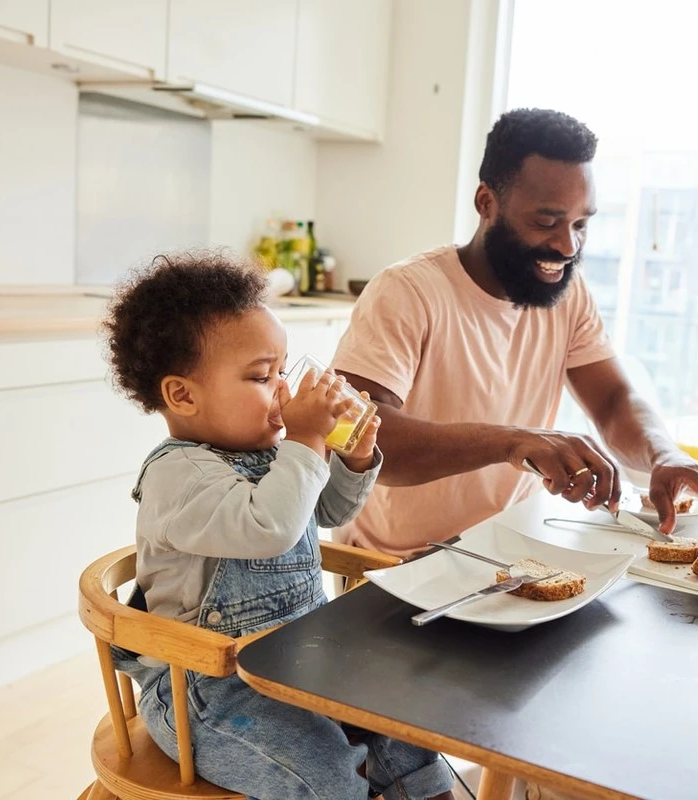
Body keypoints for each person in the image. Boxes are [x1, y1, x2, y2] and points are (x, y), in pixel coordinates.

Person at [103, 253, 454, 800]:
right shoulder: (178, 476)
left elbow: (327, 512)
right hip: (209, 693)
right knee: (322, 771)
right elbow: (270, 527)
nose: (285, 392)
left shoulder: (271, 454)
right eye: (262, 377)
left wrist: (356, 458)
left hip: (297, 660)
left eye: (282, 371)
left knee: (405, 728)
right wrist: (307, 441)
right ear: (182, 395)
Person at [333, 108, 698, 557]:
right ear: (487, 203)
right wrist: (513, 441)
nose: (568, 246)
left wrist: (666, 455)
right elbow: (360, 434)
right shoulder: (407, 291)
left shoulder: (568, 295)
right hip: (393, 564)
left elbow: (613, 401)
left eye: (581, 224)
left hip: (508, 552)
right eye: (547, 222)